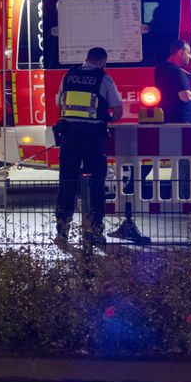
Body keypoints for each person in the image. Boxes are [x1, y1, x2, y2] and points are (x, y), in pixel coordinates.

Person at [54, 47, 149, 247]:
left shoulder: (69, 76)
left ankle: (62, 232)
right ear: (102, 62)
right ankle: (95, 232)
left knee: (67, 183)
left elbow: (58, 102)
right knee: (96, 185)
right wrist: (105, 116)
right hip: (92, 138)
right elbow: (117, 112)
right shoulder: (103, 79)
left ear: (86, 59)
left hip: (69, 136)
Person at [154, 40, 191, 123]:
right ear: (180, 52)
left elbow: (174, 69)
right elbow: (186, 97)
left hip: (167, 118)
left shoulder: (161, 68)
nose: (190, 57)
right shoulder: (177, 72)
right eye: (188, 53)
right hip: (180, 122)